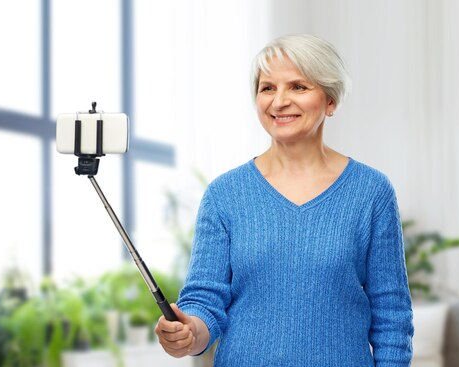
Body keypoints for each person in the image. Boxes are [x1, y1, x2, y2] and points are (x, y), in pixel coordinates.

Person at [155, 34, 414, 366]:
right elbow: (204, 303)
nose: (279, 102)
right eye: (267, 88)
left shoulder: (371, 192)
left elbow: (392, 317)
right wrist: (189, 332)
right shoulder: (224, 195)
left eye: (298, 87)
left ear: (330, 100)